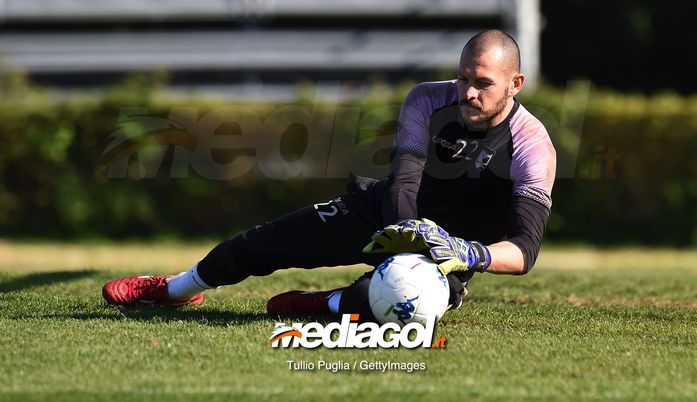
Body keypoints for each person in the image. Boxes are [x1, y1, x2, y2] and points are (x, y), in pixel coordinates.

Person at [102, 30, 556, 321]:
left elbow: (524, 251)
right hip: (385, 212)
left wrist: (466, 253)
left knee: (404, 304)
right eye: (462, 79)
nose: (468, 92)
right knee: (261, 242)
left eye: (483, 83)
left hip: (447, 255)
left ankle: (329, 303)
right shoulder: (426, 99)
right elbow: (404, 179)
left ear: (515, 83)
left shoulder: (532, 145)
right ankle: (177, 289)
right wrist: (405, 235)